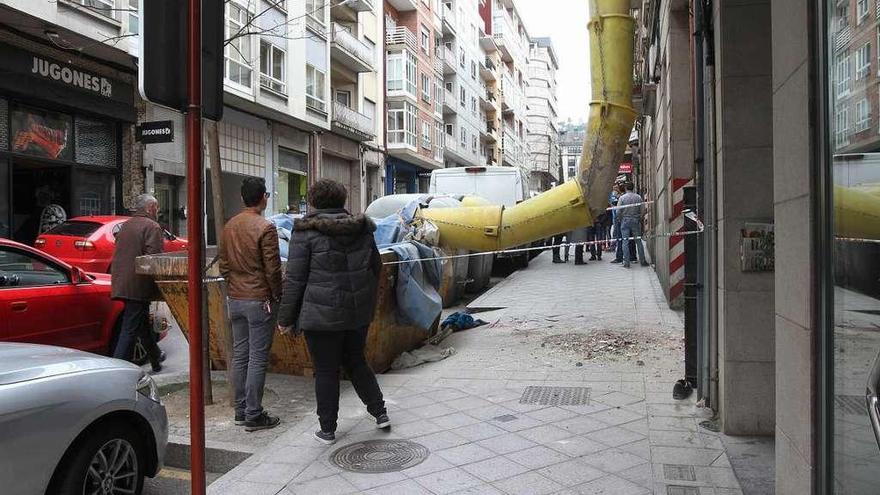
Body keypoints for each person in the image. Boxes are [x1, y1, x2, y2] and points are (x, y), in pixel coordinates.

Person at [277, 179, 389, 445]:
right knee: (356, 361)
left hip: (321, 316)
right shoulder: (362, 229)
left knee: (326, 371)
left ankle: (327, 430)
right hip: (356, 313)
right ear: (341, 201)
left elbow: (295, 280)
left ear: (314, 202)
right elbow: (376, 268)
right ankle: (380, 412)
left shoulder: (305, 232)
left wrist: (285, 319)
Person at [219, 177, 283, 432]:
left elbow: (224, 266)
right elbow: (273, 269)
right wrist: (277, 295)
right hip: (259, 300)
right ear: (263, 197)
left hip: (235, 299)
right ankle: (254, 414)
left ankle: (241, 410)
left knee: (241, 357)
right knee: (257, 358)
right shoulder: (265, 227)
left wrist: (235, 287)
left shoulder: (229, 226)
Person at [111, 194, 166, 373]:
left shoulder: (125, 225)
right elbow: (154, 259)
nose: (157, 212)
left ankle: (155, 357)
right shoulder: (152, 226)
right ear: (150, 208)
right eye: (156, 208)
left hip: (123, 282)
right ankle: (116, 369)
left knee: (141, 323)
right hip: (138, 284)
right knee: (129, 328)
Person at [617, 182, 649, 268]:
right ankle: (643, 261)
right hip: (635, 220)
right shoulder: (638, 197)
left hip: (625, 220)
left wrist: (620, 219)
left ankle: (627, 263)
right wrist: (639, 218)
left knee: (625, 242)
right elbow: (643, 210)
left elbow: (618, 211)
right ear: (633, 188)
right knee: (638, 241)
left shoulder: (622, 198)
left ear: (626, 188)